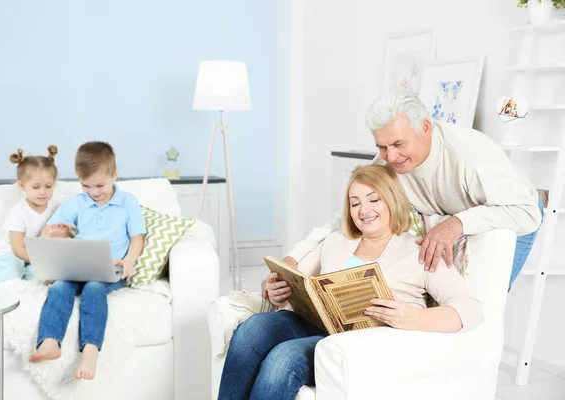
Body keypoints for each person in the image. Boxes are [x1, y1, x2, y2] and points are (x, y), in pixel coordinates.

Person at [218, 165, 483, 400]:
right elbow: (297, 278)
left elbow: (471, 309)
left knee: (283, 359)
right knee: (253, 329)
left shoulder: (418, 252)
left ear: (392, 200)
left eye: (373, 199)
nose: (363, 210)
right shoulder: (336, 240)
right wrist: (279, 291)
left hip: (365, 342)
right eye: (354, 203)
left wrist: (411, 318)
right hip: (320, 325)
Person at [283, 91, 543, 291]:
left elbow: (526, 213)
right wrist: (294, 259)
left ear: (426, 128)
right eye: (382, 147)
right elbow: (343, 221)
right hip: (449, 216)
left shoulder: (471, 154)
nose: (391, 156)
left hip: (509, 209)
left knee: (481, 305)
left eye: (398, 144)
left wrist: (457, 223)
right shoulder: (385, 162)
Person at [28, 141, 146, 380]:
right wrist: (55, 234)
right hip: (77, 267)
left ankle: (90, 351)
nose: (94, 192)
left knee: (93, 289)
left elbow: (137, 239)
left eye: (100, 185)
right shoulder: (75, 203)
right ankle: (50, 341)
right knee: (60, 286)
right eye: (86, 186)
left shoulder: (128, 202)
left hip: (110, 269)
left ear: (114, 175)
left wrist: (129, 261)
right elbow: (48, 234)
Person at [0, 146, 60, 284]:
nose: (42, 192)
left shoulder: (56, 207)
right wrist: (38, 260)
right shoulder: (19, 212)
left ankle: (26, 273)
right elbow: (18, 248)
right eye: (36, 187)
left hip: (33, 258)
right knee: (10, 275)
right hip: (12, 254)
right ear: (22, 186)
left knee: (44, 277)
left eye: (48, 186)